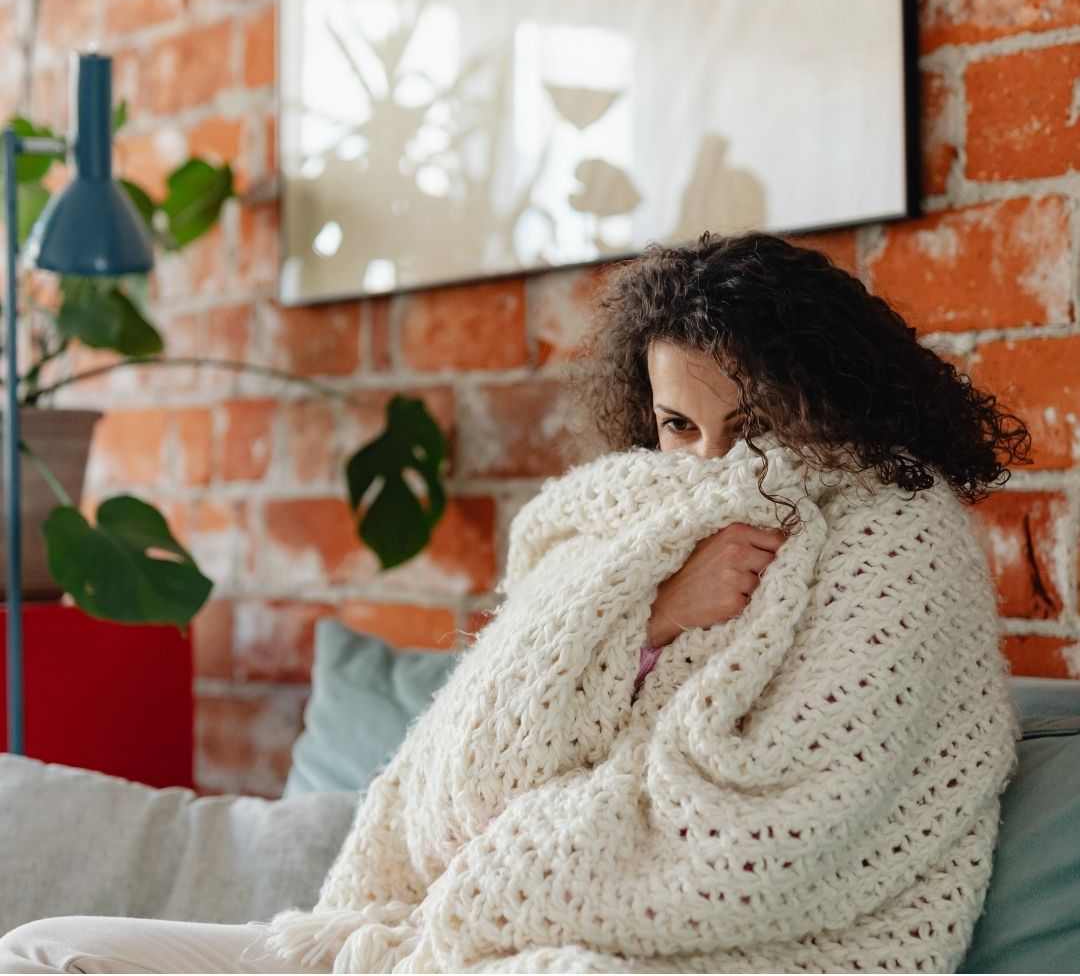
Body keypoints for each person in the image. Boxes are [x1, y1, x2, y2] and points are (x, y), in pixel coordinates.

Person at [0, 231, 1030, 974]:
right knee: (44, 951)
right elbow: (451, 791)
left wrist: (507, 860)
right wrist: (652, 613)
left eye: (753, 422)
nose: (712, 463)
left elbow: (768, 843)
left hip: (650, 954)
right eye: (678, 426)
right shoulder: (626, 540)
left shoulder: (898, 533)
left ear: (832, 398)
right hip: (432, 937)